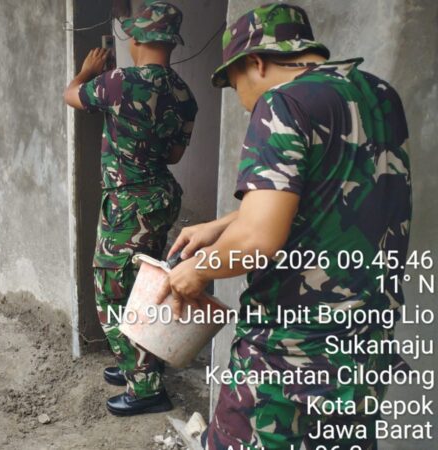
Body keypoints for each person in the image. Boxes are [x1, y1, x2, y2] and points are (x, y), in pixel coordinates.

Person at [162, 4, 410, 448]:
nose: (242, 102)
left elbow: (258, 240)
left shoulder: (283, 103)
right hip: (366, 345)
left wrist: (196, 271)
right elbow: (329, 193)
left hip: (290, 355)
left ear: (255, 61)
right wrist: (221, 225)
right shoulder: (379, 96)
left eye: (236, 84)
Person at [64, 2, 198, 416]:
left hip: (129, 203)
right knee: (147, 285)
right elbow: (174, 154)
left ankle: (145, 388)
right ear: (171, 43)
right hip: (160, 197)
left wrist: (88, 69)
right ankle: (139, 363)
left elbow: (71, 96)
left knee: (112, 291)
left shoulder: (118, 82)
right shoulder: (184, 94)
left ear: (137, 39)